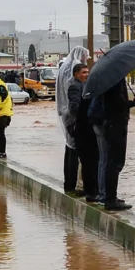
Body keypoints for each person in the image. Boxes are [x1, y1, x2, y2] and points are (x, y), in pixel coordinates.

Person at [89, 74, 135, 211]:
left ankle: (110, 196)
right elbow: (117, 103)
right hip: (115, 124)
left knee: (112, 161)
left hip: (113, 124)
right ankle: (110, 199)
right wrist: (134, 103)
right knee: (114, 162)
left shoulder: (113, 79)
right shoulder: (114, 81)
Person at [56, 46, 90, 195]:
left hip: (64, 113)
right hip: (73, 117)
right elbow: (75, 99)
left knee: (70, 148)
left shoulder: (64, 67)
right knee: (76, 151)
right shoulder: (73, 71)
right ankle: (75, 184)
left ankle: (68, 183)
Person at [68, 64, 100, 201]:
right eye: (84, 72)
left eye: (88, 72)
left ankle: (92, 190)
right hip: (83, 129)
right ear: (76, 74)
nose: (87, 74)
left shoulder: (85, 86)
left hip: (88, 129)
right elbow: (75, 108)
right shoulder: (75, 87)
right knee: (88, 162)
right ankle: (90, 192)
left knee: (92, 162)